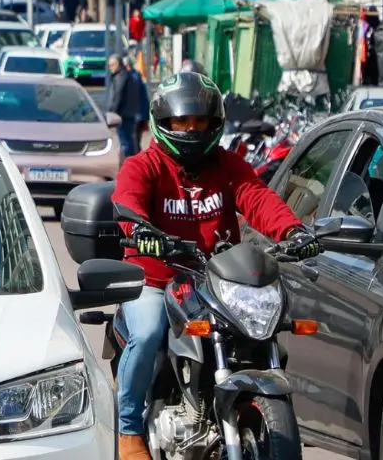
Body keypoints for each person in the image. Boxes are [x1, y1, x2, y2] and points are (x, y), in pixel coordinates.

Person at [110, 72, 319, 460]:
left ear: (214, 123)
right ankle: (128, 431)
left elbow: (256, 198)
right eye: (181, 122)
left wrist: (292, 231)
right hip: (156, 277)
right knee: (148, 333)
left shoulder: (229, 165)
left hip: (216, 279)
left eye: (199, 121)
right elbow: (128, 205)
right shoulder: (144, 166)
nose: (190, 129)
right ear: (164, 123)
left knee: (263, 329)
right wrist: (142, 232)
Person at [105, 55, 140, 157]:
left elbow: (118, 95)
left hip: (123, 114)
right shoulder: (125, 75)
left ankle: (128, 163)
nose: (110, 67)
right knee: (128, 139)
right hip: (128, 113)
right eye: (109, 65)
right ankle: (132, 161)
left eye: (112, 65)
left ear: (118, 64)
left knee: (125, 141)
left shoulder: (121, 76)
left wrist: (112, 113)